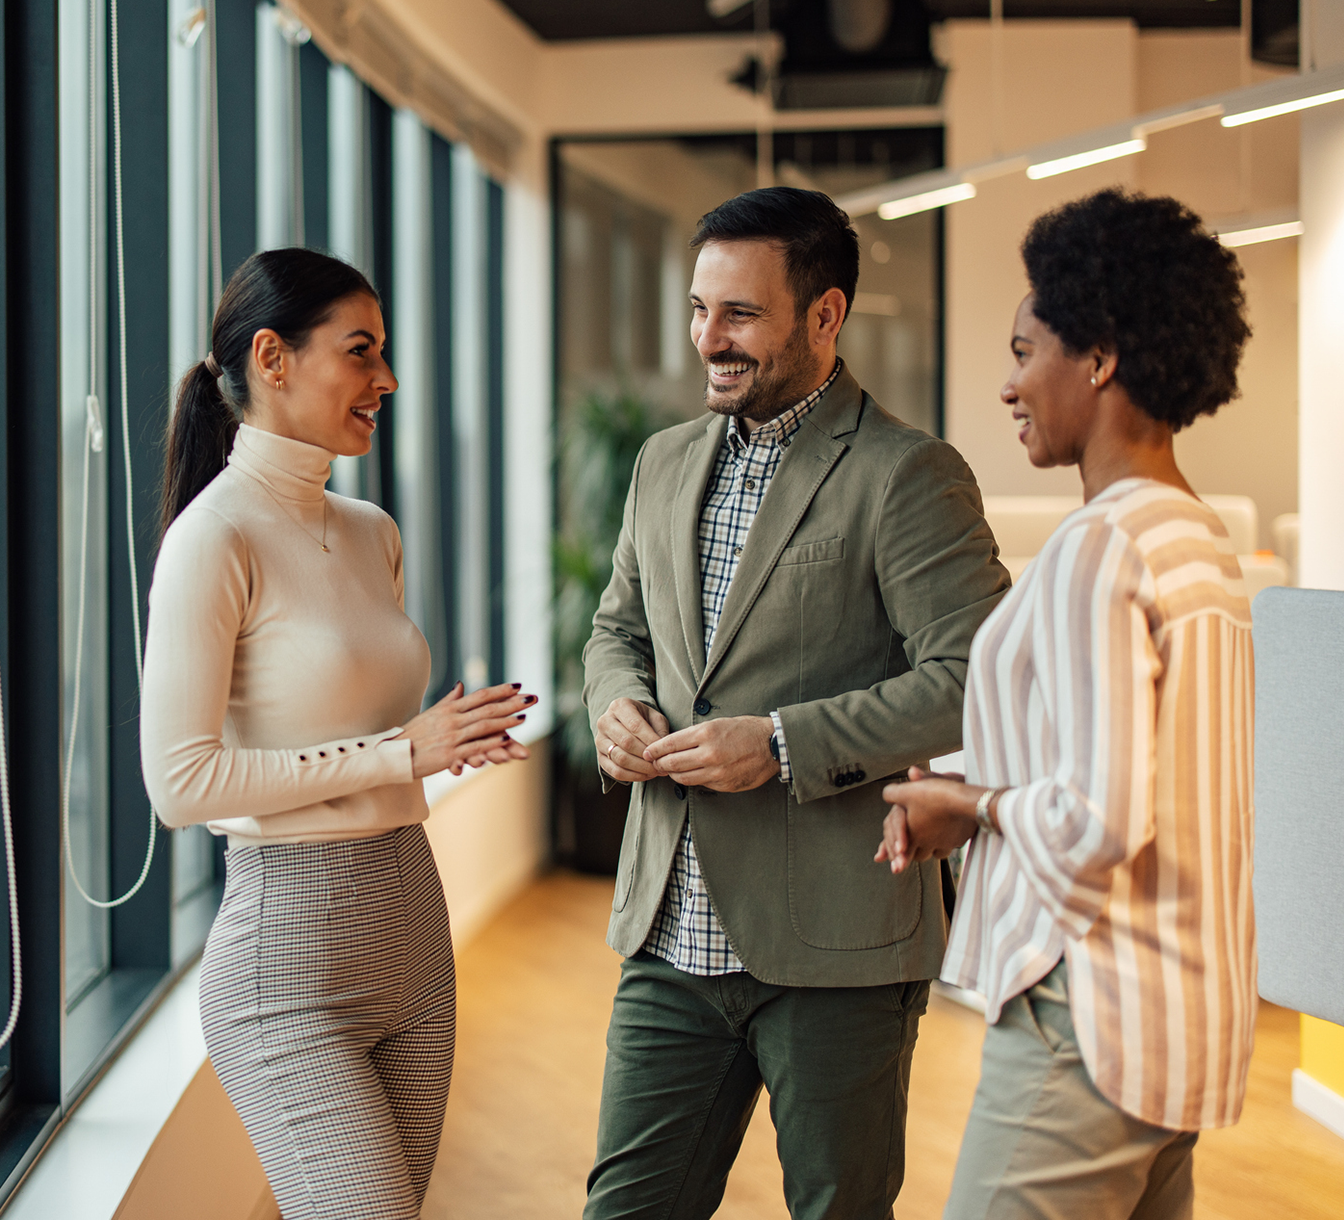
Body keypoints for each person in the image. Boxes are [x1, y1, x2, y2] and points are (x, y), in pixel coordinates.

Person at [582, 186, 1009, 1220]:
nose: (707, 340)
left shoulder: (907, 474)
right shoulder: (662, 460)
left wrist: (779, 742)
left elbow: (974, 676)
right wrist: (616, 704)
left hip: (838, 943)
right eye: (697, 309)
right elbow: (616, 630)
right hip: (669, 934)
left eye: (738, 314)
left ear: (824, 315)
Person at [878, 188, 1257, 1219]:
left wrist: (970, 805)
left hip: (1083, 1012)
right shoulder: (1194, 538)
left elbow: (1095, 819)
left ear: (1096, 356)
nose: (1008, 384)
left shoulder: (1102, 545)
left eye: (1022, 348)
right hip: (1179, 1023)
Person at [140, 249, 536, 1220]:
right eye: (360, 351)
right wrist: (406, 750)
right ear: (271, 357)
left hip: (412, 942)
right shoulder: (212, 536)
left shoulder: (372, 531)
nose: (385, 380)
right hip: (287, 973)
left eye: (385, 353)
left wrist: (442, 740)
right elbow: (180, 783)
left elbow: (362, 720)